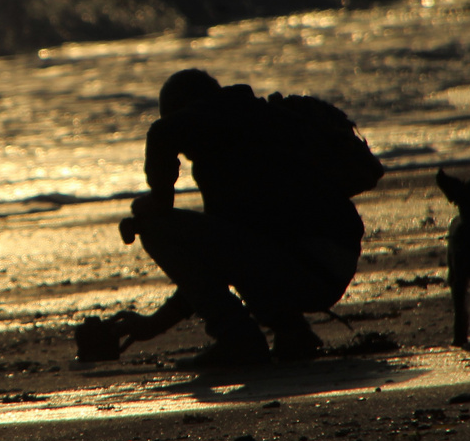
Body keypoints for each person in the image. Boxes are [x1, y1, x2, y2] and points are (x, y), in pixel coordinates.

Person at [111, 68, 378, 368]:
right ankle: (292, 332)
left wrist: (159, 201)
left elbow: (161, 133)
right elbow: (219, 260)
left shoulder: (225, 120)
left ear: (190, 109)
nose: (184, 151)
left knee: (154, 227)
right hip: (325, 265)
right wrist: (152, 326)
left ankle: (239, 340)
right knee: (246, 239)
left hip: (308, 268)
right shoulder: (251, 121)